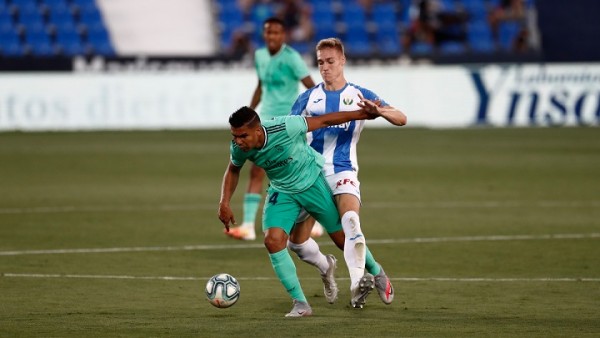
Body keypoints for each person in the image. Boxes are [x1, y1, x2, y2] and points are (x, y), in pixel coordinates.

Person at [218, 103, 381, 317]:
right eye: (234, 136)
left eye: (242, 136)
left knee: (343, 238)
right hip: (282, 191)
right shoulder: (238, 148)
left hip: (312, 182)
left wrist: (362, 114)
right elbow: (233, 170)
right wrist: (224, 202)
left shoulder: (286, 127)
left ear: (258, 130)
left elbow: (325, 120)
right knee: (273, 240)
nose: (238, 142)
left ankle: (378, 273)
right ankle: (301, 304)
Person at [287, 37, 407, 308]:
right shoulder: (308, 98)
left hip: (343, 170)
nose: (325, 67)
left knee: (350, 220)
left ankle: (357, 285)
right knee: (296, 244)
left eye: (330, 61)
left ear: (343, 60)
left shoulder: (359, 95)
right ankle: (357, 269)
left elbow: (401, 118)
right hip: (310, 174)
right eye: (320, 62)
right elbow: (289, 131)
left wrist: (380, 112)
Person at [224, 16, 318, 241]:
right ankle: (248, 225)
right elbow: (260, 86)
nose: (271, 36)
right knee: (255, 170)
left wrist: (305, 116)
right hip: (263, 121)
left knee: (298, 170)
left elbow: (311, 88)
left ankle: (313, 220)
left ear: (283, 35)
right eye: (268, 32)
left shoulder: (292, 58)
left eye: (276, 32)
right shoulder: (260, 55)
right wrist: (250, 111)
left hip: (287, 124)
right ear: (264, 34)